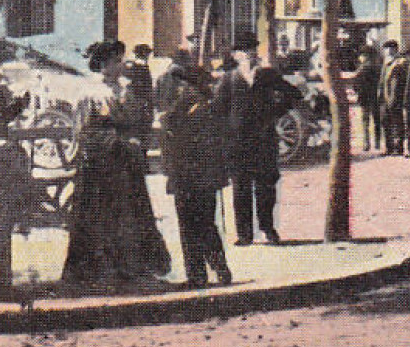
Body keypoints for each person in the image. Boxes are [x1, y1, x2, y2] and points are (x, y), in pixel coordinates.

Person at [62, 40, 173, 286]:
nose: (119, 65)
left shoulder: (126, 90)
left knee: (131, 214)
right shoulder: (90, 93)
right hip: (99, 165)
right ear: (102, 66)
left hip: (125, 163)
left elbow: (136, 122)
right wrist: (112, 142)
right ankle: (98, 270)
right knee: (100, 216)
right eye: (113, 62)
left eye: (119, 60)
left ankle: (131, 266)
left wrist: (134, 139)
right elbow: (82, 131)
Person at [160, 54, 233, 287]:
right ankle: (220, 269)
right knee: (207, 224)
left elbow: (169, 128)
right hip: (206, 177)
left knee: (189, 227)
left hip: (187, 176)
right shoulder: (210, 103)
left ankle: (197, 275)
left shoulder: (187, 102)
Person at [228, 54, 299, 245]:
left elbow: (293, 94)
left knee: (266, 187)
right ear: (237, 56)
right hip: (239, 143)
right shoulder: (230, 78)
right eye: (243, 51)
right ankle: (244, 235)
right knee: (240, 188)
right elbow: (219, 108)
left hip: (264, 140)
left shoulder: (268, 75)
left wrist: (276, 112)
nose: (248, 56)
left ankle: (268, 229)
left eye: (251, 50)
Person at [353, 43, 386, 155]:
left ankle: (366, 143)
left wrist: (358, 92)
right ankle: (377, 142)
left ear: (365, 56)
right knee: (376, 121)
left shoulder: (361, 69)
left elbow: (355, 85)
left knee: (365, 122)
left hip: (364, 98)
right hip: (375, 98)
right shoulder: (378, 68)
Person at [377, 40, 405, 156]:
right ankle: (388, 147)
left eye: (390, 48)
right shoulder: (385, 63)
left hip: (395, 97)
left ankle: (398, 148)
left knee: (397, 123)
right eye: (386, 48)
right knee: (385, 122)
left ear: (396, 49)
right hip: (384, 98)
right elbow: (382, 81)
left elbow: (399, 83)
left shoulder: (400, 62)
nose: (388, 51)